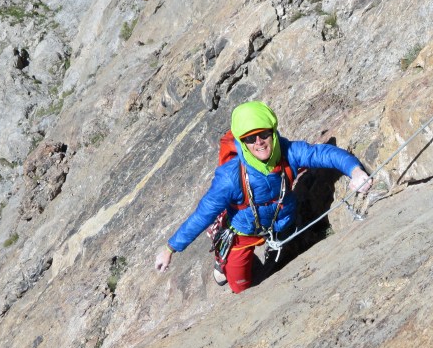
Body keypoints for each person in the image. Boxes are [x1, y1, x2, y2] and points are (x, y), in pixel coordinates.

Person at [154, 101, 372, 293]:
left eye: (263, 134)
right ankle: (223, 262)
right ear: (242, 142)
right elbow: (203, 215)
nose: (258, 142)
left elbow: (324, 154)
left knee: (287, 250)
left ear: (273, 132)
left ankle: (271, 247)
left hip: (281, 223)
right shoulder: (231, 177)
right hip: (243, 232)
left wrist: (355, 170)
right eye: (249, 138)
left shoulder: (288, 152)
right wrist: (171, 248)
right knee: (240, 287)